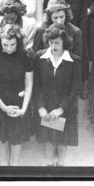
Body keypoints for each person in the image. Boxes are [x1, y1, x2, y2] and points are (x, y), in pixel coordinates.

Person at [0, 23, 35, 166]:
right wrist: (3, 108)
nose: (9, 48)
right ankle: (5, 163)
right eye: (5, 44)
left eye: (12, 44)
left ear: (18, 42)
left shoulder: (26, 55)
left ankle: (15, 166)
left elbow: (29, 84)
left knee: (16, 136)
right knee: (3, 136)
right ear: (0, 41)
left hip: (18, 99)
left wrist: (24, 109)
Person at [34, 24, 82, 166]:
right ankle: (50, 166)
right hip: (46, 110)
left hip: (65, 110)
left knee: (62, 143)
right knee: (48, 142)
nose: (53, 46)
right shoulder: (40, 57)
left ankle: (61, 168)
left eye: (57, 42)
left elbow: (75, 88)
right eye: (51, 42)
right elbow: (36, 85)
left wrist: (61, 109)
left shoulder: (74, 60)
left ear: (64, 42)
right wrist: (41, 107)